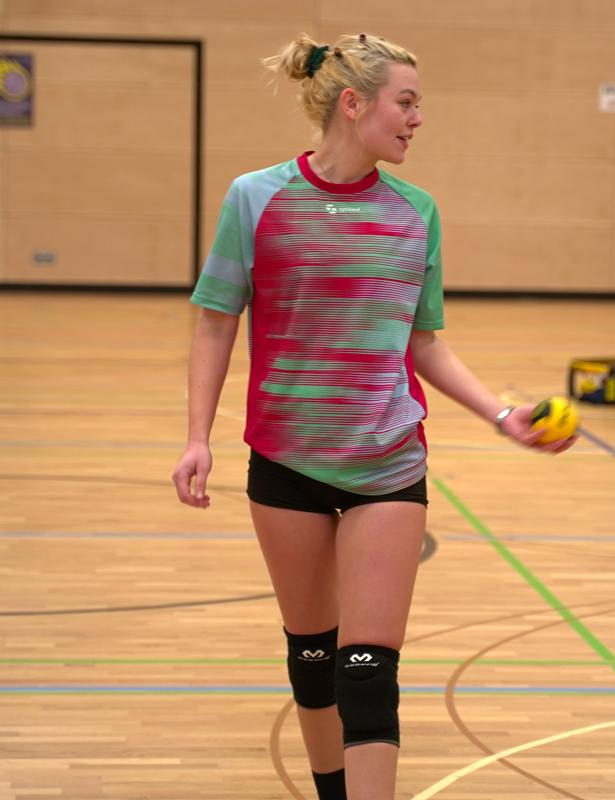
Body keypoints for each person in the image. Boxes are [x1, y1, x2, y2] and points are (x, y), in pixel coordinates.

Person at [172, 32, 576, 800]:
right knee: (312, 658)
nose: (419, 118)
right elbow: (216, 321)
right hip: (284, 461)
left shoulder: (417, 212)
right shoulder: (254, 198)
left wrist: (502, 414)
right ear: (354, 104)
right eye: (407, 102)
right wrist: (197, 437)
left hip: (387, 462)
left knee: (366, 672)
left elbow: (424, 344)